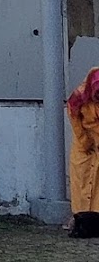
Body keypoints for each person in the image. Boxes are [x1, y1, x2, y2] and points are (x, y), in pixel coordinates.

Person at [67, 66, 99, 238]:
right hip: (83, 147)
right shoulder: (79, 97)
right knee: (81, 184)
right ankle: (80, 223)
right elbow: (74, 118)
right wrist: (86, 141)